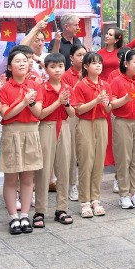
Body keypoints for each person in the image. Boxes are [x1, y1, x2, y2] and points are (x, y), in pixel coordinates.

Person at [0, 47, 44, 235]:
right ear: (9, 67)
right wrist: (23, 102)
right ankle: (13, 217)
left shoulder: (35, 85)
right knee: (11, 178)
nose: (22, 63)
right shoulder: (4, 87)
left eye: (25, 60)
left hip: (31, 132)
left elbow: (38, 112)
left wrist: (30, 101)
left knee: (28, 177)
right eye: (18, 61)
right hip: (12, 132)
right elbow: (5, 114)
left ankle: (24, 214)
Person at [34, 52, 76, 227]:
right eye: (53, 67)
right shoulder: (42, 88)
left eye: (60, 66)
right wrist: (59, 102)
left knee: (64, 168)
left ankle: (62, 208)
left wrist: (65, 104)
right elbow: (41, 114)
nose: (57, 70)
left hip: (64, 127)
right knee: (44, 170)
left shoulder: (68, 88)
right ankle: (40, 211)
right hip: (47, 127)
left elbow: (73, 113)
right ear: (46, 68)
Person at [71, 52, 111, 218]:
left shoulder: (105, 85)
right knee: (86, 161)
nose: (98, 66)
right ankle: (84, 201)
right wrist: (95, 101)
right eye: (94, 63)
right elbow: (78, 109)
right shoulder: (80, 86)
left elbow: (108, 109)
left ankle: (95, 198)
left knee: (98, 162)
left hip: (101, 123)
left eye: (100, 63)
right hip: (86, 123)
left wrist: (107, 103)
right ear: (86, 66)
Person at [108, 49, 135, 209]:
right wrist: (126, 98)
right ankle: (124, 194)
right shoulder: (117, 81)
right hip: (122, 122)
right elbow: (112, 104)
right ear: (126, 64)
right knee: (124, 159)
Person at [61, 44, 87, 202]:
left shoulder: (89, 73)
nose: (83, 58)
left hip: (86, 115)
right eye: (79, 55)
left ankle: (85, 184)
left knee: (84, 150)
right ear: (71, 58)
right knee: (71, 153)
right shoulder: (65, 75)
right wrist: (78, 83)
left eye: (85, 54)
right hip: (72, 115)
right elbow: (68, 96)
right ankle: (72, 185)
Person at [97, 19, 135, 84]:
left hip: (119, 84)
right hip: (103, 85)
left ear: (116, 40)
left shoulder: (122, 51)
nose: (107, 36)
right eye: (107, 34)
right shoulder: (99, 52)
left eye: (110, 35)